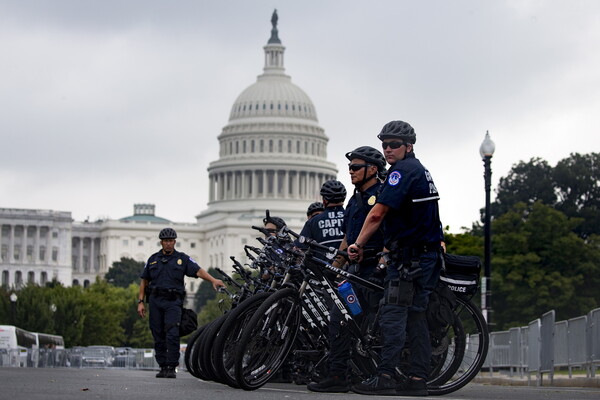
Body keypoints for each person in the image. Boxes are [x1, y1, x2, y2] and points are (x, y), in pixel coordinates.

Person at [348, 121, 444, 396]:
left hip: (410, 260)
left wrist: (358, 244)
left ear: (408, 146)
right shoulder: (420, 170)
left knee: (392, 315)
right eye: (384, 145)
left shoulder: (401, 173)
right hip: (423, 256)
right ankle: (416, 380)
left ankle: (386, 376)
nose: (388, 150)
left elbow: (377, 214)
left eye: (394, 145)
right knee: (416, 318)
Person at [307, 146, 387, 393]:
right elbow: (347, 237)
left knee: (373, 323)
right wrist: (335, 266)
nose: (350, 171)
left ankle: (377, 372)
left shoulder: (381, 196)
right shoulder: (355, 200)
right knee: (340, 319)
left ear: (372, 169)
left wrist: (383, 259)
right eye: (350, 167)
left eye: (355, 167)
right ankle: (338, 374)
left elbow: (389, 229)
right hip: (356, 269)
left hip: (375, 268)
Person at [137, 227, 225, 379]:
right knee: (157, 333)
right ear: (161, 242)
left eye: (171, 241)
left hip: (173, 302)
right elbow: (144, 282)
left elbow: (198, 271)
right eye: (166, 241)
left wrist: (213, 280)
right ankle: (162, 366)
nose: (168, 244)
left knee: (172, 333)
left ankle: (171, 366)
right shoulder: (152, 259)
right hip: (155, 301)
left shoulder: (182, 259)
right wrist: (140, 302)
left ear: (174, 242)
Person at [295, 180, 347, 262]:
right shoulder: (351, 217)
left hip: (322, 271)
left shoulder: (313, 221)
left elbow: (299, 247)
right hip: (350, 270)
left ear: (324, 200)